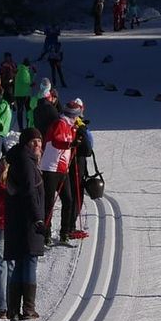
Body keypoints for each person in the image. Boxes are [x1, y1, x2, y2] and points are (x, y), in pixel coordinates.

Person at [0, 128, 46, 319]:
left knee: (19, 263)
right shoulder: (26, 163)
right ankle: (28, 308)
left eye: (40, 142)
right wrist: (38, 219)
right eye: (34, 142)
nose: (38, 146)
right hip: (27, 222)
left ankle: (12, 309)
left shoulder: (19, 160)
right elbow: (29, 193)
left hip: (16, 221)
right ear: (25, 144)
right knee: (30, 262)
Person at [41, 102, 79, 241]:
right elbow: (56, 141)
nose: (77, 119)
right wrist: (69, 144)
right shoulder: (59, 123)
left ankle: (65, 232)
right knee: (49, 203)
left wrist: (76, 136)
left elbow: (70, 144)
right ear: (72, 115)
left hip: (63, 169)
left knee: (68, 200)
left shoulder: (70, 127)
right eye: (77, 116)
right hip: (50, 168)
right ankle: (46, 234)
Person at [61, 97, 93, 241]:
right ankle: (69, 227)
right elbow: (88, 148)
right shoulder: (78, 126)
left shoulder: (65, 122)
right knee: (76, 195)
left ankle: (68, 227)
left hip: (67, 162)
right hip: (76, 162)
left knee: (71, 196)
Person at [12, 59, 35, 133]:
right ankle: (27, 126)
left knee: (20, 111)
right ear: (27, 65)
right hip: (25, 95)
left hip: (19, 94)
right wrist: (31, 84)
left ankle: (21, 127)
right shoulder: (23, 71)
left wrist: (34, 73)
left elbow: (27, 81)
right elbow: (26, 82)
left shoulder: (21, 70)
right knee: (27, 111)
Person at [44, 21, 65, 87]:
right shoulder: (52, 47)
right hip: (52, 60)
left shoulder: (58, 49)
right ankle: (55, 83)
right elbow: (50, 54)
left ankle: (62, 83)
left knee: (59, 72)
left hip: (57, 60)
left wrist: (59, 61)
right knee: (54, 72)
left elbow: (61, 55)